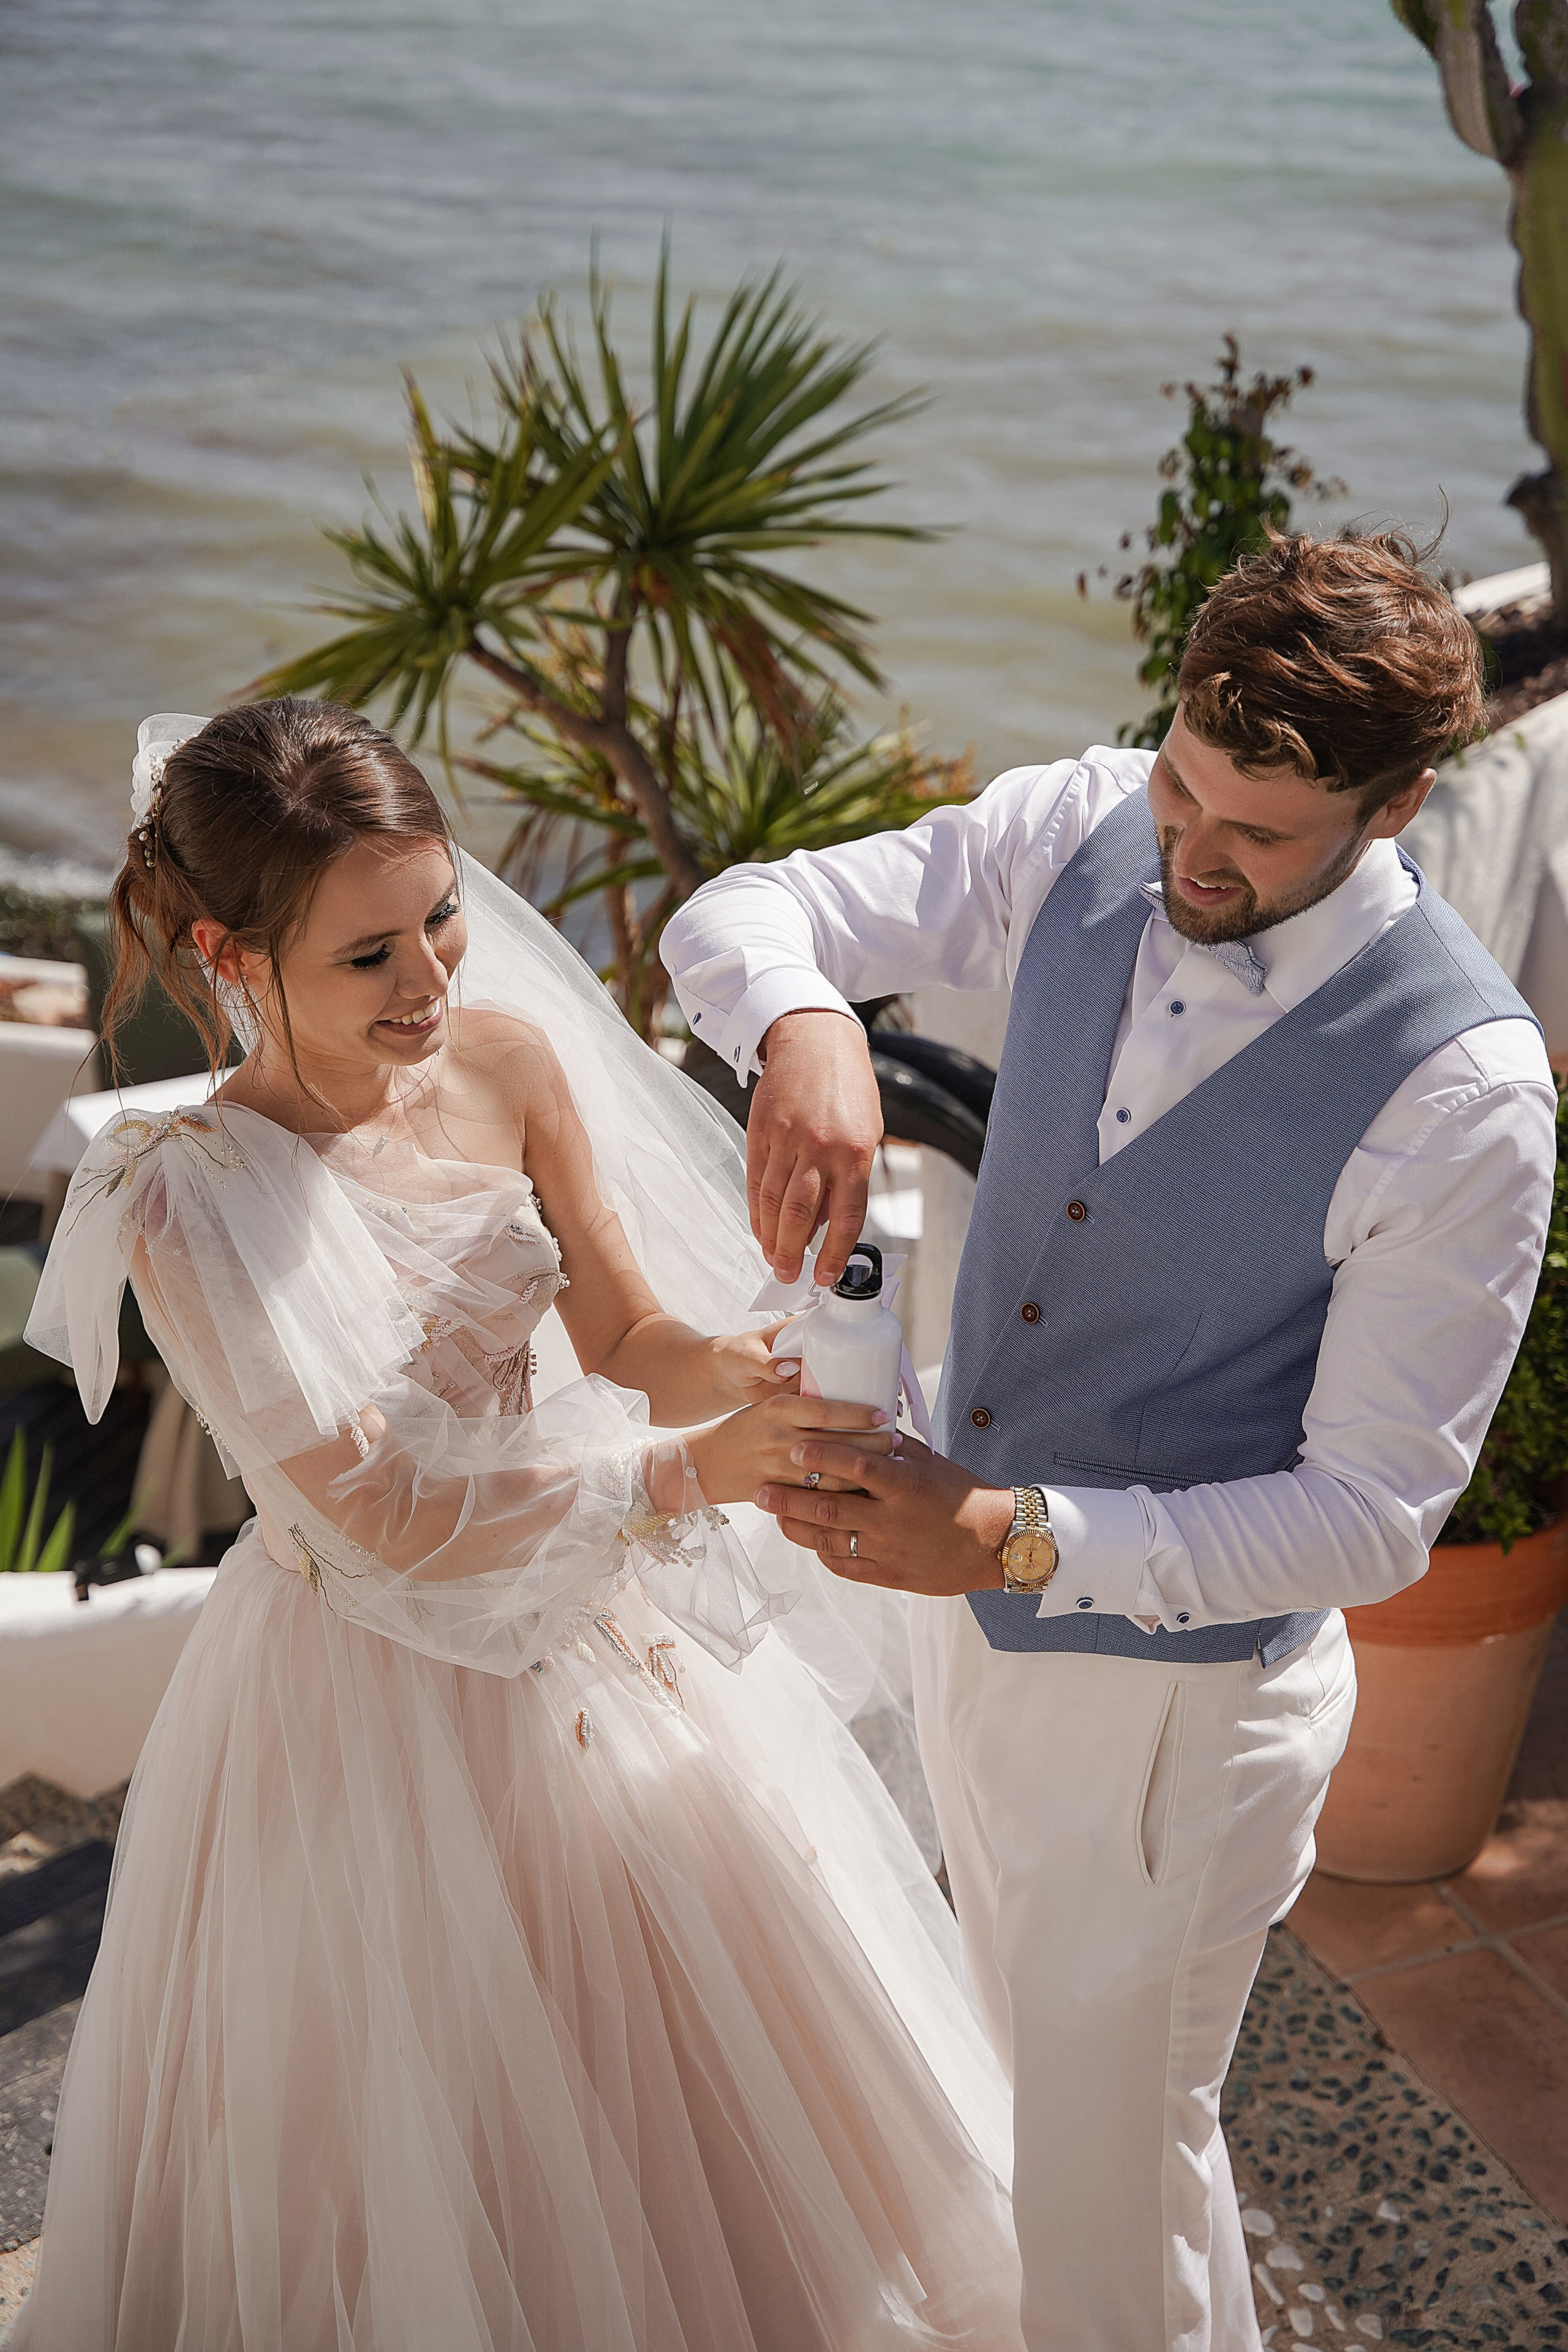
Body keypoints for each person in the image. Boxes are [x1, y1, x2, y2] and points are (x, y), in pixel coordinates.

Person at [12, 699, 1023, 2352]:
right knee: (420, 2133)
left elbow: (628, 1339)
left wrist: (761, 1362)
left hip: (583, 1632)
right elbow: (380, 1516)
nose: (430, 983)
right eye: (368, 958)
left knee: (697, 2112)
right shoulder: (182, 1197)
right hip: (363, 1690)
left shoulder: (505, 1061)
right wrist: (687, 1477)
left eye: (441, 918)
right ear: (228, 950)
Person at [661, 530, 1560, 2352]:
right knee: (1065, 2128)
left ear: (1401, 805)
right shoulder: (1082, 820)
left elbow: (1375, 1517)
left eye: (1257, 833)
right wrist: (813, 1023)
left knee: (1108, 2173)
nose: (1188, 854)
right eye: (1181, 788)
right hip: (973, 1624)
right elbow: (738, 914)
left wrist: (1003, 1534)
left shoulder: (1465, 1094)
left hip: (1175, 1715)